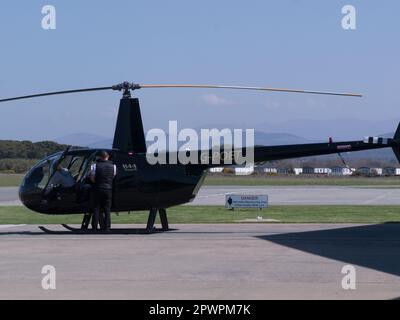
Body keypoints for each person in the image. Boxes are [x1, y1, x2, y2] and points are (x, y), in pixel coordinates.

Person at [90, 151, 116, 232]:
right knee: (107, 209)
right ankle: (107, 227)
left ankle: (94, 227)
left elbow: (92, 178)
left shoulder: (94, 166)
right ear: (107, 157)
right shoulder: (113, 166)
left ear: (100, 157)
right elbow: (113, 176)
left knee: (96, 208)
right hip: (108, 189)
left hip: (98, 188)